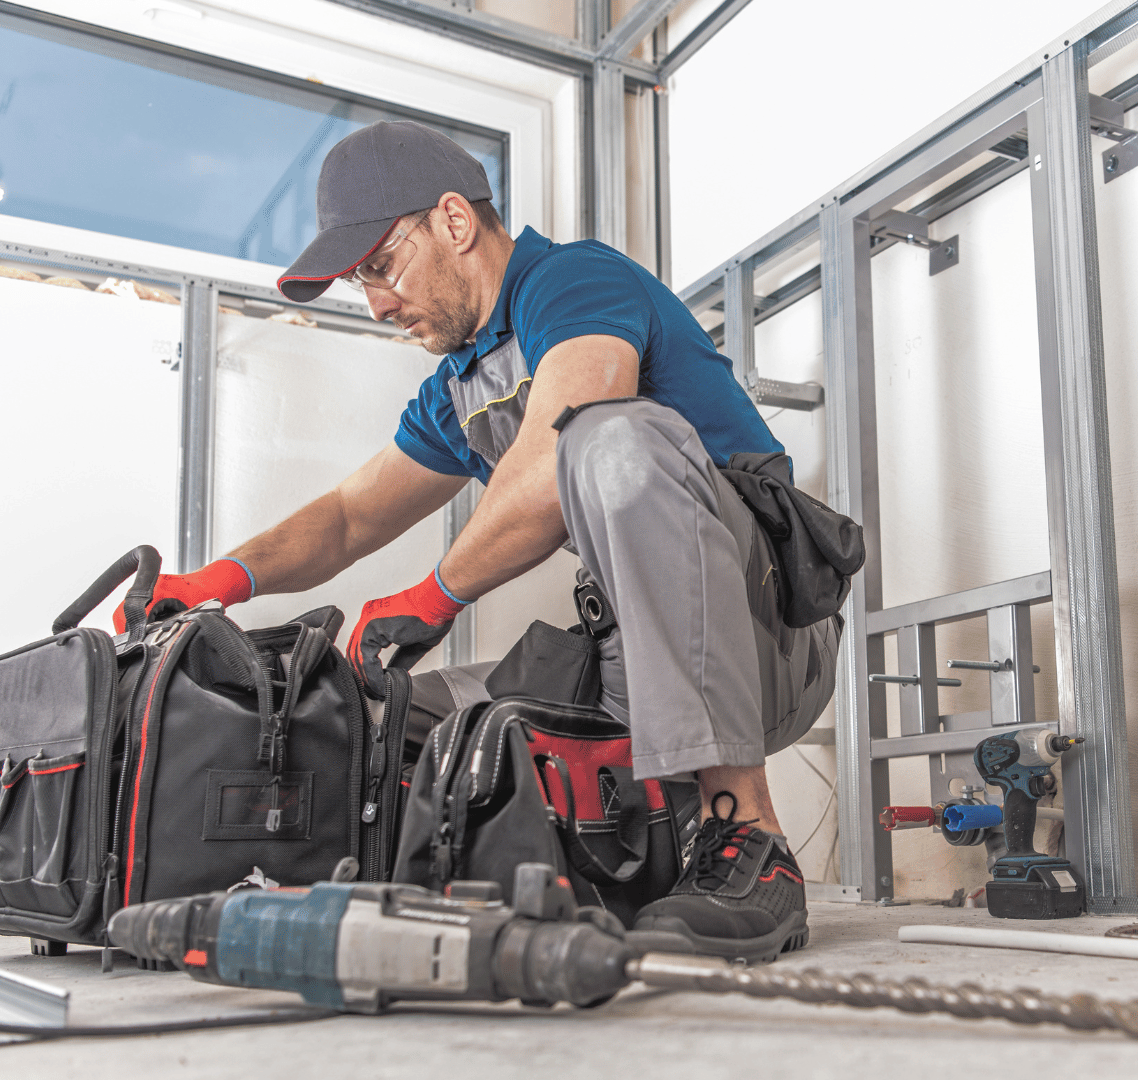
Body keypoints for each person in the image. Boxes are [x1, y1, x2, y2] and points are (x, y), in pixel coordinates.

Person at [134, 121, 838, 962]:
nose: (377, 304)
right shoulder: (459, 386)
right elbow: (350, 516)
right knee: (375, 714)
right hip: (634, 660)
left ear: (454, 221)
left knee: (610, 439)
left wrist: (435, 595)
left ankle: (749, 835)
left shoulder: (570, 281)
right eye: (362, 282)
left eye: (381, 267)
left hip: (767, 637)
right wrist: (219, 580)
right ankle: (406, 874)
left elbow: (554, 456)